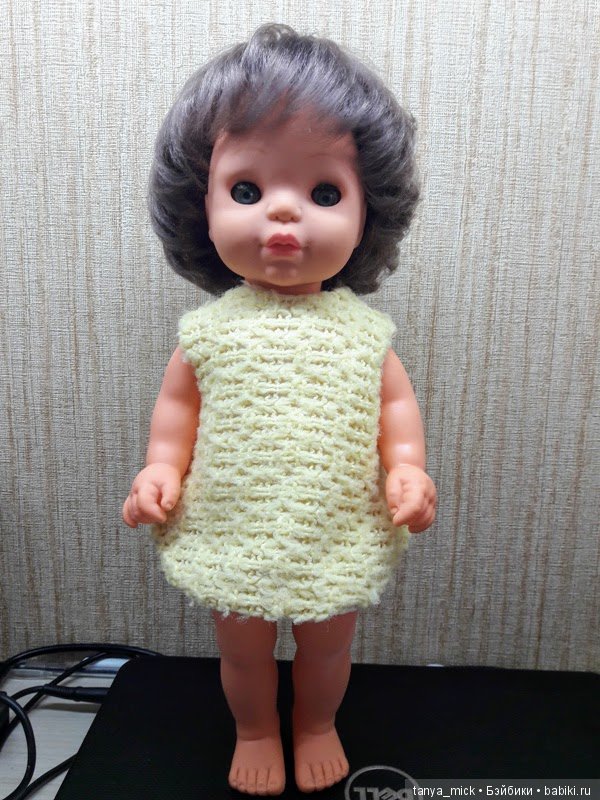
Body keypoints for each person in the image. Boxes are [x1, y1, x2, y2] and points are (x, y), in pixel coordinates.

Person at [123, 23, 436, 795]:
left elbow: (395, 407)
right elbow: (176, 414)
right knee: (243, 649)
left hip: (336, 521)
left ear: (369, 211)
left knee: (329, 645)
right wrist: (160, 469)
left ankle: (317, 723)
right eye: (248, 190)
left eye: (324, 193)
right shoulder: (208, 333)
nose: (285, 215)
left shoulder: (365, 335)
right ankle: (257, 728)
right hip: (232, 519)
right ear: (199, 204)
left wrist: (408, 470)